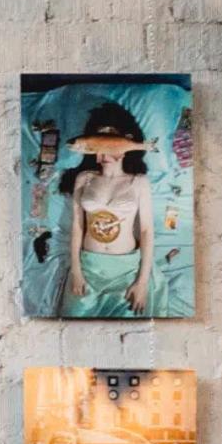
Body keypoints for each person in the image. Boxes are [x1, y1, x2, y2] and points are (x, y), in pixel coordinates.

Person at [56, 98, 161, 319]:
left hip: (127, 269)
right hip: (89, 266)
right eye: (98, 146)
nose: (103, 153)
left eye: (110, 144)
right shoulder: (84, 178)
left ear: (123, 145)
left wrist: (142, 282)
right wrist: (76, 271)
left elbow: (146, 231)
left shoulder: (139, 182)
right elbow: (77, 228)